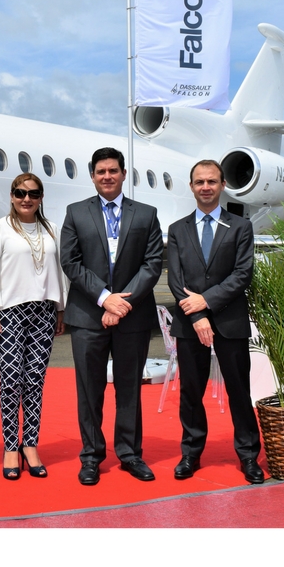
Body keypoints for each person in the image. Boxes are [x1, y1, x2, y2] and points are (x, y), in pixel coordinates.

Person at [60, 147, 163, 485]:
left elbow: (152, 264)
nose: (107, 176)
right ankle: (91, 456)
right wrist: (106, 299)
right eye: (101, 171)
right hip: (88, 316)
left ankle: (130, 454)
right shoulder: (75, 213)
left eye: (113, 171)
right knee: (89, 390)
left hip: (132, 317)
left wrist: (122, 303)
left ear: (123, 174)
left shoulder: (146, 214)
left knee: (129, 388)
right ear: (92, 175)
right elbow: (71, 262)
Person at [166, 159, 264, 484]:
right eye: (199, 182)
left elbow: (242, 274)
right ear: (191, 186)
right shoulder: (177, 229)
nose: (205, 187)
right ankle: (191, 454)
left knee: (239, 391)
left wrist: (206, 302)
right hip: (190, 324)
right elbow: (176, 279)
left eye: (211, 181)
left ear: (222, 185)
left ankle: (249, 456)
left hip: (229, 322)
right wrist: (196, 315)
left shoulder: (240, 227)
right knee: (191, 393)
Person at [0, 173, 68, 480]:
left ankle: (30, 444)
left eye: (33, 193)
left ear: (41, 197)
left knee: (35, 382)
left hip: (43, 311)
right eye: (20, 192)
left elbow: (58, 272)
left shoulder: (52, 229)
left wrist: (60, 310)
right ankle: (11, 447)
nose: (26, 198)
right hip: (9, 313)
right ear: (11, 195)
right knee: (11, 381)